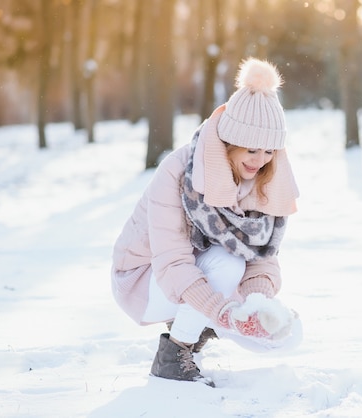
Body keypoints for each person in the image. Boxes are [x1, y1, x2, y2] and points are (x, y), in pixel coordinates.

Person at [110, 58, 301, 387]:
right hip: (144, 280)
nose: (261, 160)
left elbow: (262, 259)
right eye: (252, 150)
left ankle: (196, 325)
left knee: (285, 335)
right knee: (228, 264)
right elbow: (173, 262)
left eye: (270, 151)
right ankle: (175, 354)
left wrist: (257, 303)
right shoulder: (178, 171)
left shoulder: (265, 178)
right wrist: (224, 312)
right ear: (230, 140)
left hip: (209, 274)